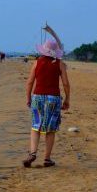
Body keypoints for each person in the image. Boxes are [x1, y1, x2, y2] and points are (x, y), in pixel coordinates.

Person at [23, 39, 70, 168]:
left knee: (35, 126)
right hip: (53, 99)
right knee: (50, 129)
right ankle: (47, 158)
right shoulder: (60, 64)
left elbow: (30, 82)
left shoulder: (37, 62)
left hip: (37, 97)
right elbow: (65, 83)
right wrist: (67, 99)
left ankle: (32, 153)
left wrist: (28, 98)